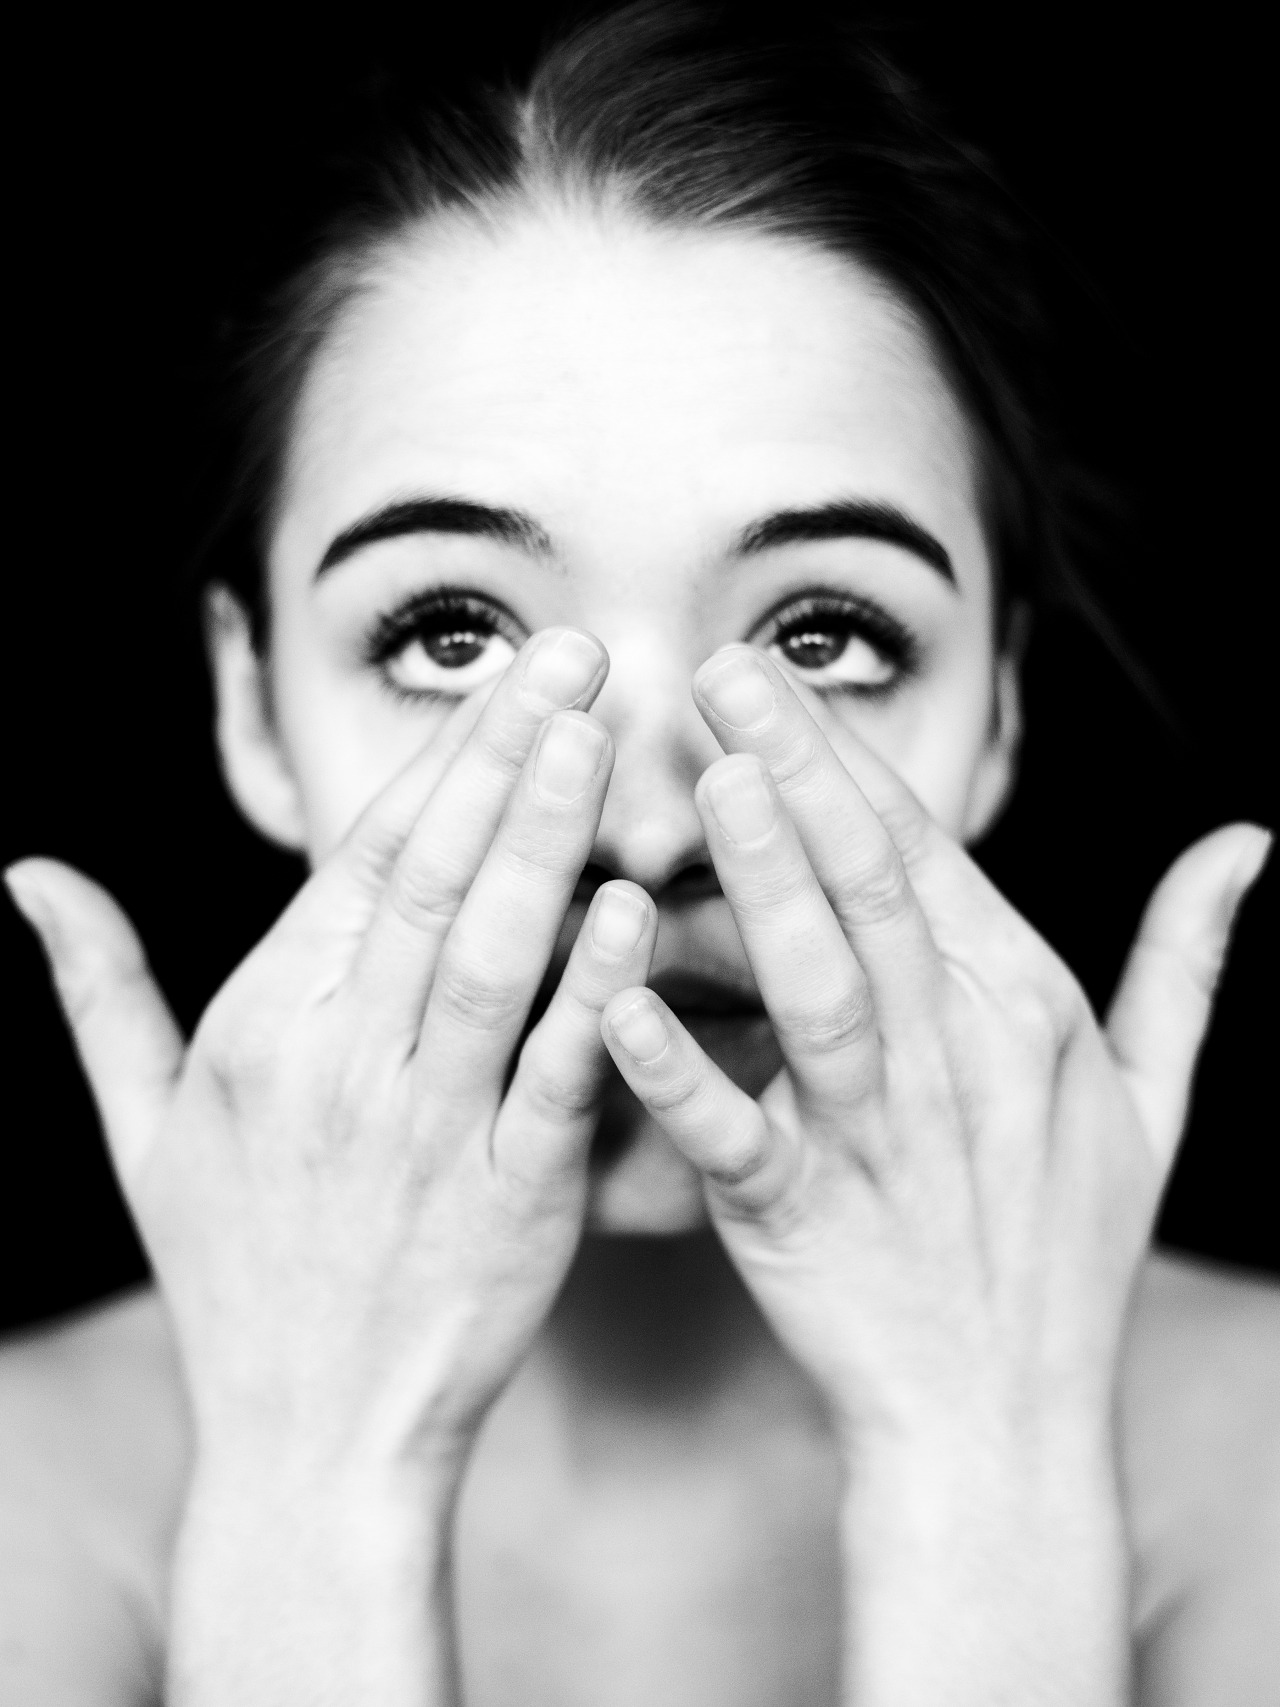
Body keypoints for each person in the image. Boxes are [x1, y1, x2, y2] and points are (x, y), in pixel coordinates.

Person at [2, 5, 1276, 1703]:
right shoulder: (32, 1495)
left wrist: (987, 1464)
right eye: (452, 633)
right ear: (255, 712)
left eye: (823, 637)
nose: (652, 827)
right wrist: (319, 1480)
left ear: (998, 714)